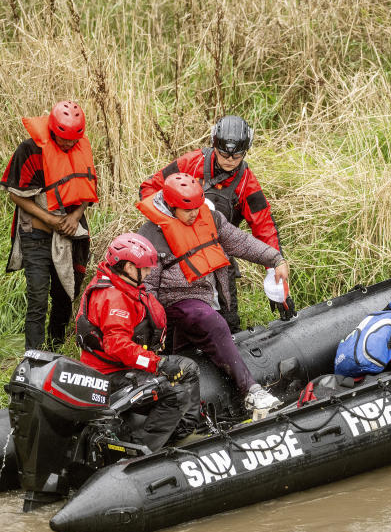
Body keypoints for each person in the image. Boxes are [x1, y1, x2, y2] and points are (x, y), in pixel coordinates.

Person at [137, 173, 290, 414]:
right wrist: (154, 330)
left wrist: (275, 259)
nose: (194, 215)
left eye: (197, 208)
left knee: (191, 354)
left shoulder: (211, 219)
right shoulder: (151, 236)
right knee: (212, 322)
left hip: (203, 299)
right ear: (170, 205)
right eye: (187, 211)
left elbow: (242, 243)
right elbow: (146, 287)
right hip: (173, 303)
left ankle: (194, 413)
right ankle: (251, 392)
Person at [139, 115, 294, 331]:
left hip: (219, 255)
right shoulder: (190, 163)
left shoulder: (247, 182)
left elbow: (264, 226)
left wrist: (276, 280)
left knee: (228, 321)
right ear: (214, 144)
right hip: (177, 255)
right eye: (223, 154)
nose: (229, 160)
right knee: (176, 319)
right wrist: (172, 221)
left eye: (237, 155)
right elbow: (148, 188)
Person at [75, 233, 201, 451]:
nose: (149, 272)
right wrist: (157, 364)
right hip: (109, 375)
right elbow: (117, 346)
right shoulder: (113, 298)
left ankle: (181, 432)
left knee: (189, 369)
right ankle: (140, 451)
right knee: (176, 395)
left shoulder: (125, 286)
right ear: (128, 268)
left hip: (126, 365)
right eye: (145, 268)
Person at [0, 100, 98, 351]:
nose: (68, 144)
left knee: (65, 296)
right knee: (38, 300)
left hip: (69, 234)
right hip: (35, 235)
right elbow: (16, 194)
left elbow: (86, 190)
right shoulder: (30, 150)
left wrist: (75, 217)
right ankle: (33, 357)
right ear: (53, 130)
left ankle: (54, 351)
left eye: (73, 140)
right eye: (63, 139)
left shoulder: (80, 148)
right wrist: (52, 219)